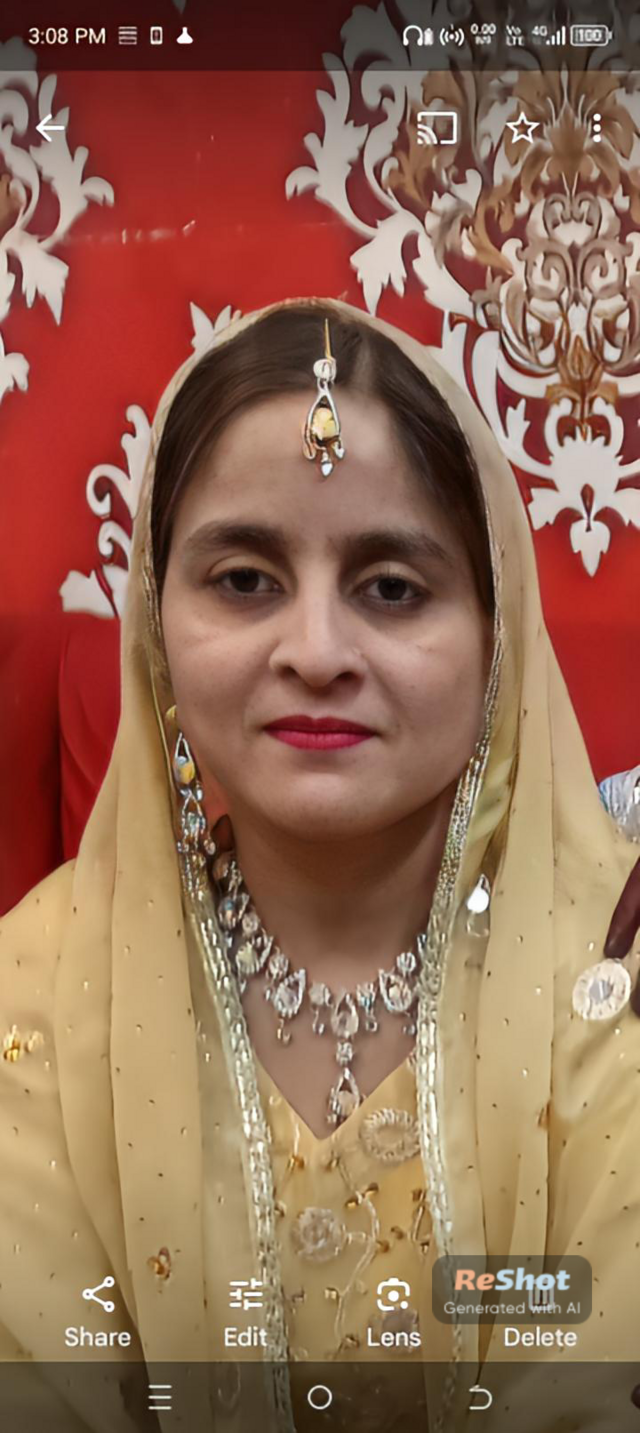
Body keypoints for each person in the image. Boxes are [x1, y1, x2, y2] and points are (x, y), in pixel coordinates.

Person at [1, 297, 640, 1433]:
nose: (315, 651)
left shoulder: (613, 981)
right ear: (156, 621)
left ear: (497, 635)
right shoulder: (35, 996)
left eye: (391, 587)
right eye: (244, 579)